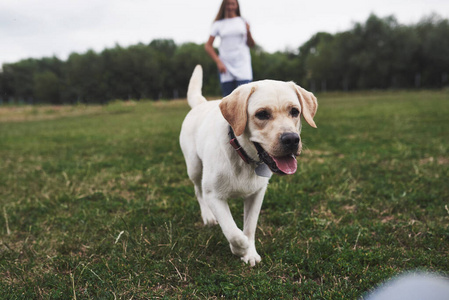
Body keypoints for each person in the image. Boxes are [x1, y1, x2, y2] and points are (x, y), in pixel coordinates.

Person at [204, 0, 256, 97]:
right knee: (228, 98)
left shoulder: (243, 21)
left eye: (233, 4)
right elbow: (208, 45)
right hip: (226, 65)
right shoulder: (218, 24)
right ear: (224, 5)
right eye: (228, 4)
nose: (230, 7)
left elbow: (251, 44)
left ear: (237, 6)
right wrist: (218, 62)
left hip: (242, 64)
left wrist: (248, 32)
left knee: (244, 97)